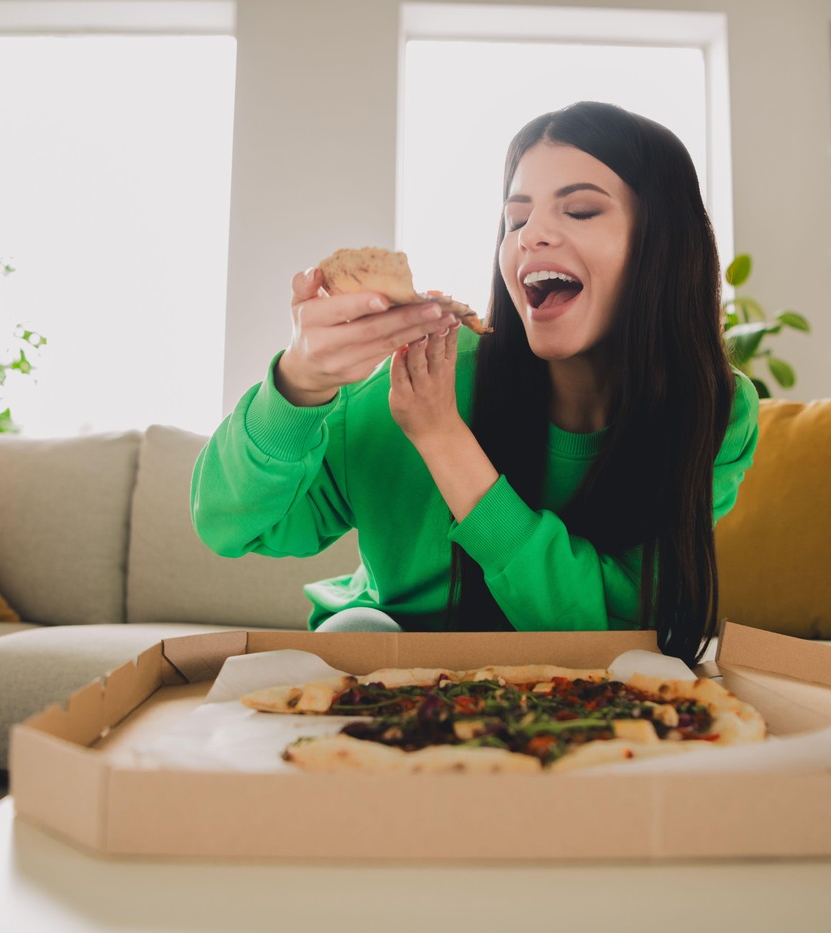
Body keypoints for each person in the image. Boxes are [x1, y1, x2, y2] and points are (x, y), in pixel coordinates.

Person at [192, 101, 758, 663]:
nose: (531, 235)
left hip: (579, 688)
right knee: (354, 631)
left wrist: (444, 440)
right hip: (386, 674)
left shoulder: (712, 410)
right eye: (516, 220)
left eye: (581, 210)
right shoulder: (421, 372)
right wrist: (298, 385)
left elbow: (620, 629)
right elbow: (227, 525)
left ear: (665, 242)